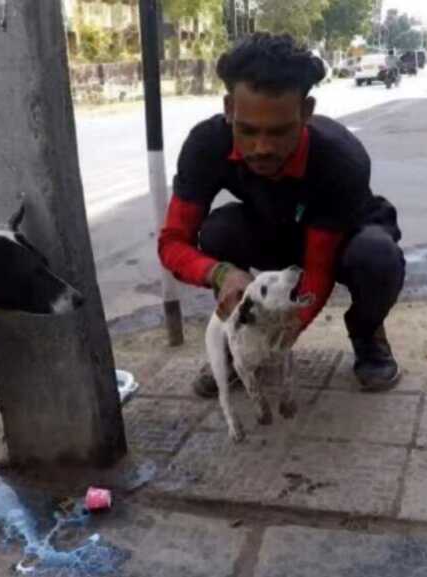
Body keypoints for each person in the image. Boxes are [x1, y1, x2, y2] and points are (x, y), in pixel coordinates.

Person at [158, 33, 405, 398]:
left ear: (306, 112)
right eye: (247, 130)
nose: (262, 148)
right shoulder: (205, 145)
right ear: (229, 108)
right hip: (276, 227)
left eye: (279, 132)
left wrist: (279, 337)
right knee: (219, 233)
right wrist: (221, 274)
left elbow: (318, 270)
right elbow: (172, 242)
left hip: (342, 239)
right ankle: (236, 339)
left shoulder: (341, 159)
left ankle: (368, 333)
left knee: (377, 257)